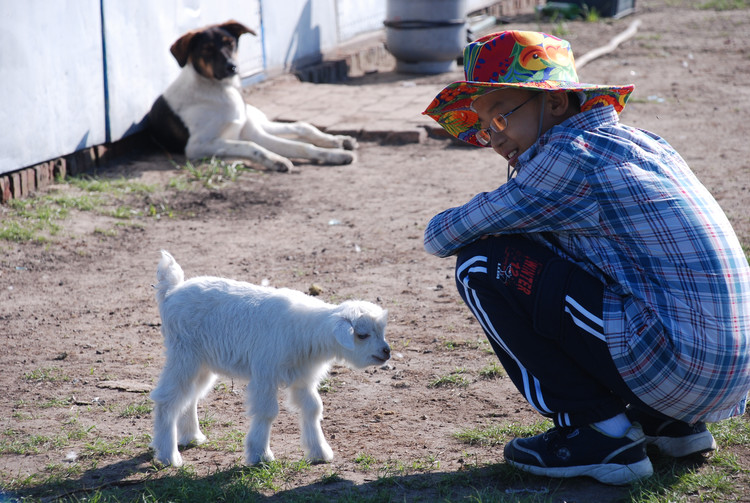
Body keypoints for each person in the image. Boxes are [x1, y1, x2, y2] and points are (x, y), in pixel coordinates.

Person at [422, 30, 750, 485]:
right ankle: (670, 424)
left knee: (481, 262)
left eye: (501, 118)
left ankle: (601, 433)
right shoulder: (642, 141)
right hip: (726, 374)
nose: (494, 139)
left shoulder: (566, 156)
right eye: (484, 127)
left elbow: (440, 235)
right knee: (569, 254)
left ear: (555, 104)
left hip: (680, 367)